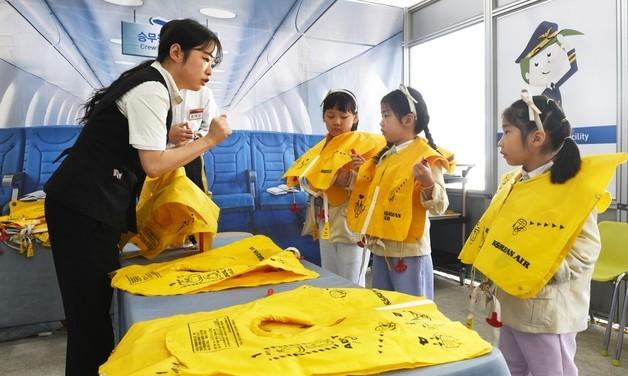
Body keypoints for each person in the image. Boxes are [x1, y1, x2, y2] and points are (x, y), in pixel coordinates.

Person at [43, 19, 231, 375]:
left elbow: (137, 147)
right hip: (83, 208)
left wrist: (168, 136)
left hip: (86, 206)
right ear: (176, 52)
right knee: (90, 321)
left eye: (213, 62)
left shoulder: (151, 83)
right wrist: (210, 140)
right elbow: (154, 166)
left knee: (93, 315)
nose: (210, 69)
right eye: (205, 58)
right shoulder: (153, 89)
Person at [459, 92, 627, 376]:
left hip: (549, 314)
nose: (500, 142)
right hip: (512, 303)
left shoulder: (573, 189)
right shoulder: (515, 182)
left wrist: (539, 267)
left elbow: (585, 252)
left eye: (507, 132)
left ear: (536, 138)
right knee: (512, 367)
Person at [347, 85, 452, 299]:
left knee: (413, 314)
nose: (381, 122)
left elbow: (441, 206)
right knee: (385, 308)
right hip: (382, 248)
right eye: (382, 116)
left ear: (408, 119)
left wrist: (428, 182)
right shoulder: (386, 157)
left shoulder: (426, 157)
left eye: (386, 115)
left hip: (409, 253)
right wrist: (362, 172)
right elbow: (376, 197)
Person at [284, 89, 385, 286]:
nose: (336, 121)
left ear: (355, 118)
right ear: (323, 118)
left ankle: (355, 315)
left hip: (352, 224)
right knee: (330, 274)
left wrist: (351, 177)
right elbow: (307, 177)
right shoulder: (321, 148)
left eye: (343, 116)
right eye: (331, 116)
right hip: (326, 221)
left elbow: (378, 185)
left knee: (352, 280)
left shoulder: (372, 147)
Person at [168, 85, 218, 192]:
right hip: (162, 157)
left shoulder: (204, 93)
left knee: (195, 203)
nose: (209, 72)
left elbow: (209, 127)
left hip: (192, 156)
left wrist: (195, 138)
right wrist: (167, 137)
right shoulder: (157, 88)